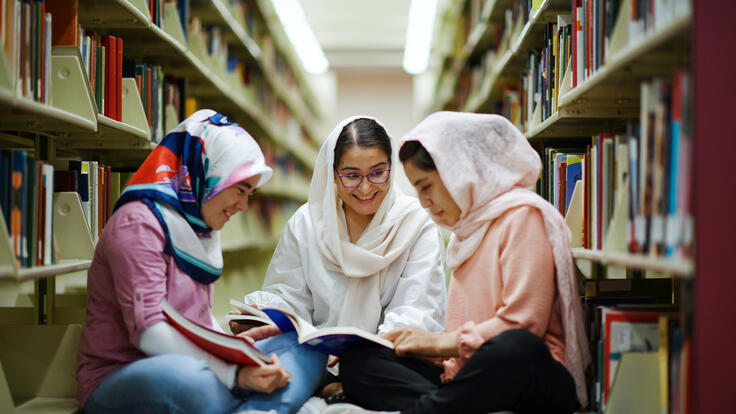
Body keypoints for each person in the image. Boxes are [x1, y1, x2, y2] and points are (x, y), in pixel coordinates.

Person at [334, 111, 591, 414]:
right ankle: (449, 406)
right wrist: (407, 345)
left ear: (459, 171)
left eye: (427, 186)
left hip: (528, 374)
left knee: (518, 347)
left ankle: (432, 408)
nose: (423, 202)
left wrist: (436, 344)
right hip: (469, 372)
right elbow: (469, 331)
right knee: (360, 359)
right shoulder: (467, 228)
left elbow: (524, 325)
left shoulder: (522, 216)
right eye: (417, 190)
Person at [76, 109, 326, 414]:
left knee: (310, 349)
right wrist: (234, 374)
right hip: (128, 372)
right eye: (240, 190)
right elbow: (150, 334)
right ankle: (262, 404)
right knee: (193, 383)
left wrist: (232, 349)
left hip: (194, 360)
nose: (244, 206)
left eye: (250, 194)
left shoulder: (199, 225)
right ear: (209, 174)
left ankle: (252, 409)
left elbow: (198, 319)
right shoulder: (138, 223)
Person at [238, 116, 448, 399]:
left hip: (388, 358)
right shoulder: (308, 223)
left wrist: (360, 350)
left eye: (377, 173)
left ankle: (338, 383)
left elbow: (418, 312)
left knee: (364, 366)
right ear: (331, 173)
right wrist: (260, 314)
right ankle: (332, 383)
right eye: (351, 176)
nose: (365, 188)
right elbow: (288, 295)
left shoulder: (416, 223)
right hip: (318, 356)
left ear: (391, 169)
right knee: (265, 359)